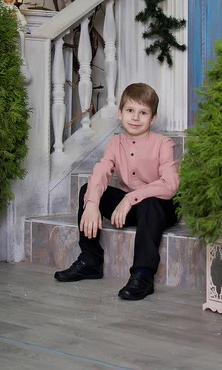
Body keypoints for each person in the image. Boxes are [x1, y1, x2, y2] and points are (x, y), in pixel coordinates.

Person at [54, 82, 180, 300]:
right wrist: (92, 204)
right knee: (88, 189)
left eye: (143, 113)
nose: (135, 117)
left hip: (159, 206)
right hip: (130, 207)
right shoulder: (115, 143)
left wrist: (131, 198)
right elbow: (101, 172)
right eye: (130, 111)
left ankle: (143, 274)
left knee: (150, 203)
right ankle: (90, 260)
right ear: (120, 114)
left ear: (153, 118)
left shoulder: (163, 143)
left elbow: (169, 185)